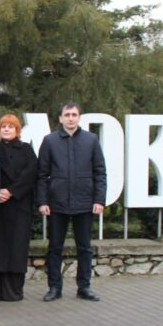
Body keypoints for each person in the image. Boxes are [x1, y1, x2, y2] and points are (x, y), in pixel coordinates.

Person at [36, 102, 107, 302]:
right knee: (54, 248)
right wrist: (42, 201)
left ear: (79, 117)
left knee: (84, 248)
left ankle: (84, 287)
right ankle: (54, 288)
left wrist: (99, 199)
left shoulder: (91, 140)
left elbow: (100, 172)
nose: (70, 118)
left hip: (84, 202)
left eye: (74, 114)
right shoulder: (49, 141)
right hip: (56, 203)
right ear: (60, 118)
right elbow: (41, 174)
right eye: (67, 115)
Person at [0, 115, 37, 301]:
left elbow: (31, 174)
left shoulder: (27, 150)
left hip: (19, 205)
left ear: (17, 130)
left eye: (10, 127)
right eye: (3, 126)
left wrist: (12, 191)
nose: (6, 129)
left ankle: (13, 291)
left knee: (17, 247)